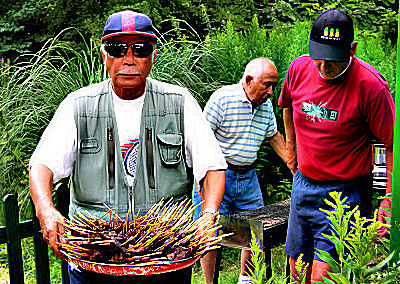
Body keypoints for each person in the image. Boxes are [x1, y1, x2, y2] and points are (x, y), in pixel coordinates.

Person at [29, 10, 227, 284]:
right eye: (118, 48)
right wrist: (46, 211)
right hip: (93, 260)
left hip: (166, 258)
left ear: (153, 56)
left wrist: (208, 214)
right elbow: (42, 165)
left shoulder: (180, 103)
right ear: (104, 55)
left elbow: (213, 168)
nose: (129, 59)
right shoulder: (79, 106)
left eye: (141, 48)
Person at [278, 9, 394, 283]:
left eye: (332, 60)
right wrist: (291, 149)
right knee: (298, 269)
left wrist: (388, 197)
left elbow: (391, 145)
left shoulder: (371, 87)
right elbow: (286, 105)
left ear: (352, 49)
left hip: (344, 192)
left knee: (325, 276)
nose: (323, 67)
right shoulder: (299, 68)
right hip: (303, 184)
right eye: (318, 57)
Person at [193, 57, 291, 284]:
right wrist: (200, 175)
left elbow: (274, 137)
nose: (271, 91)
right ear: (248, 80)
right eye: (267, 84)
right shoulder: (222, 99)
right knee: (209, 232)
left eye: (274, 85)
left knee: (256, 231)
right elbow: (201, 138)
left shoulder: (265, 106)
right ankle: (210, 283)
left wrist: (294, 166)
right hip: (218, 177)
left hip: (248, 177)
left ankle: (245, 280)